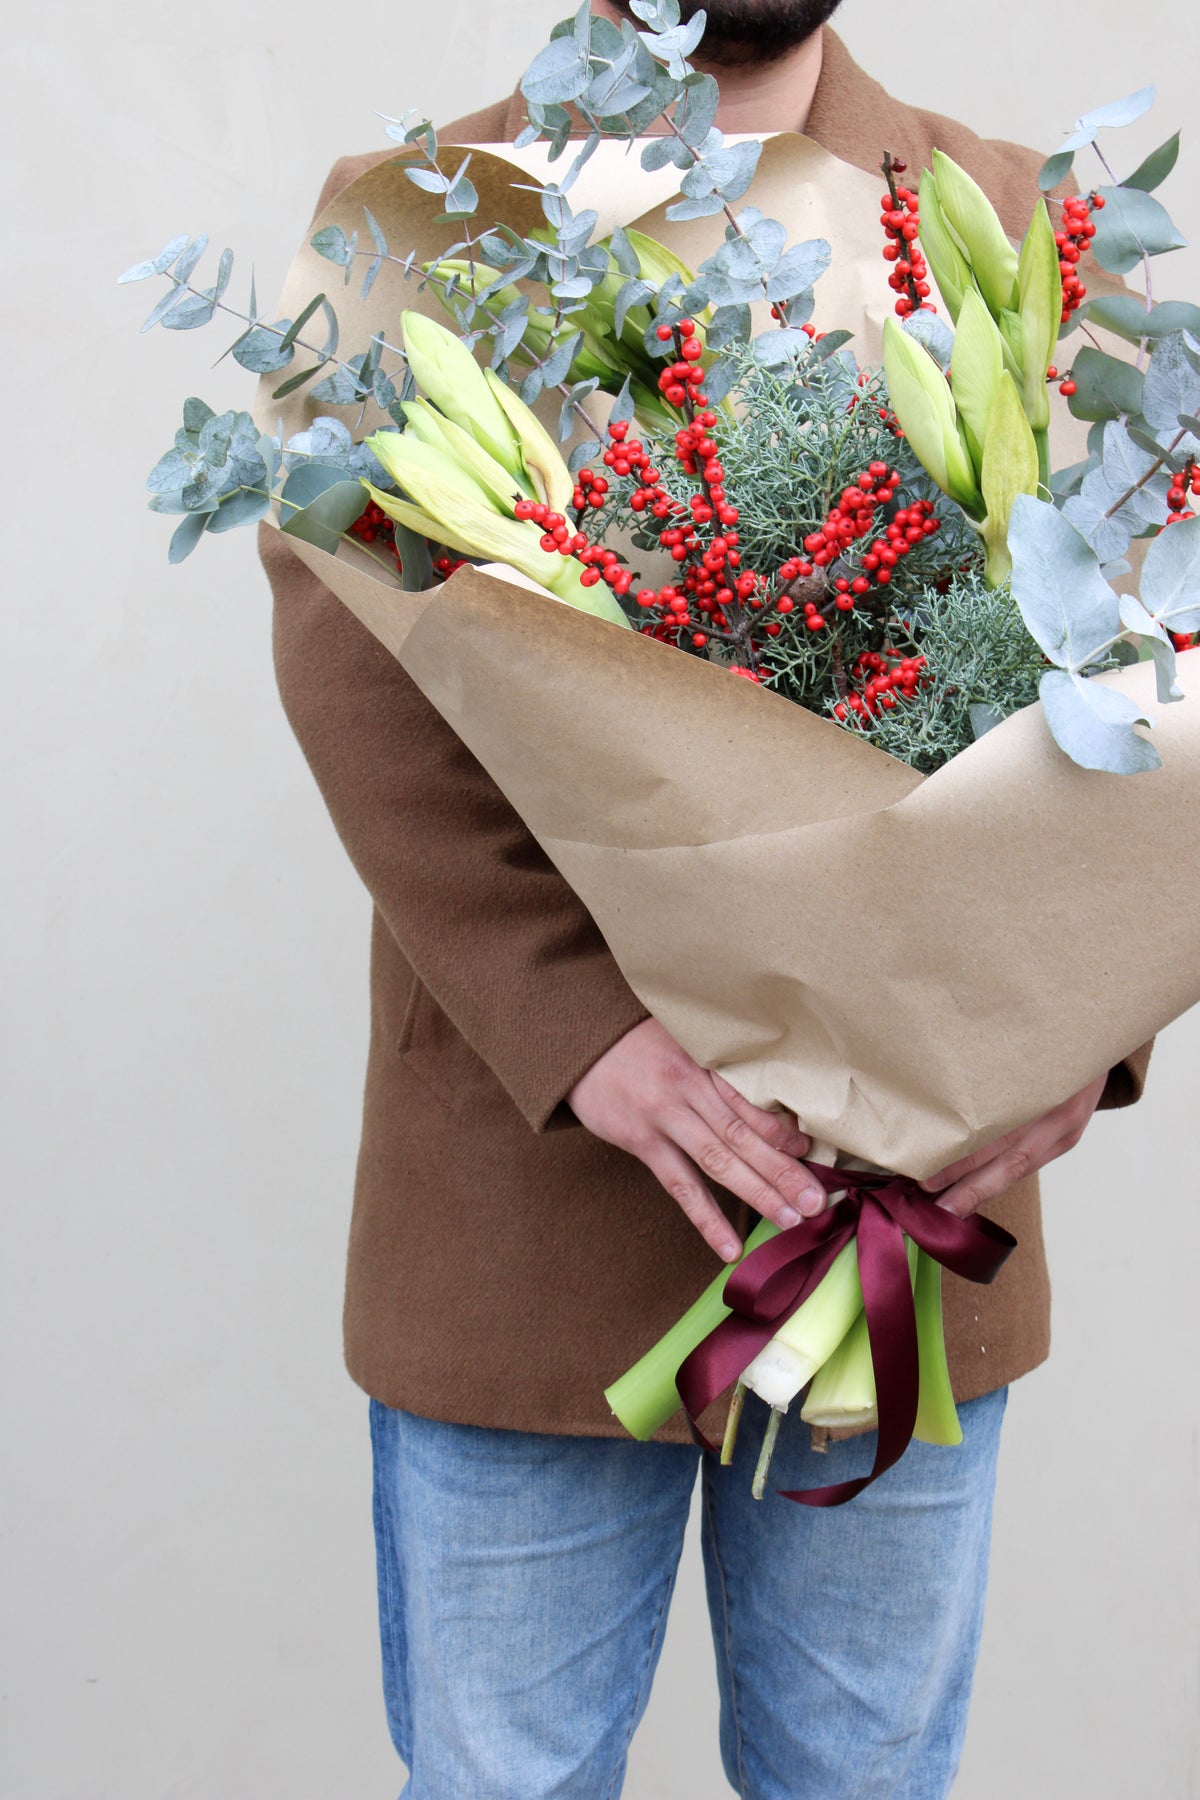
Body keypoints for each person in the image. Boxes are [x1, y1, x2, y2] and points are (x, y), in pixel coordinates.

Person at [259, 5, 1153, 1794]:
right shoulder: (415, 222)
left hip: (905, 1217)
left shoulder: (1000, 216)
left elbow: (1130, 664)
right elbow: (358, 672)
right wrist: (589, 1036)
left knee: (868, 1779)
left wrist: (1083, 1032)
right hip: (529, 1213)